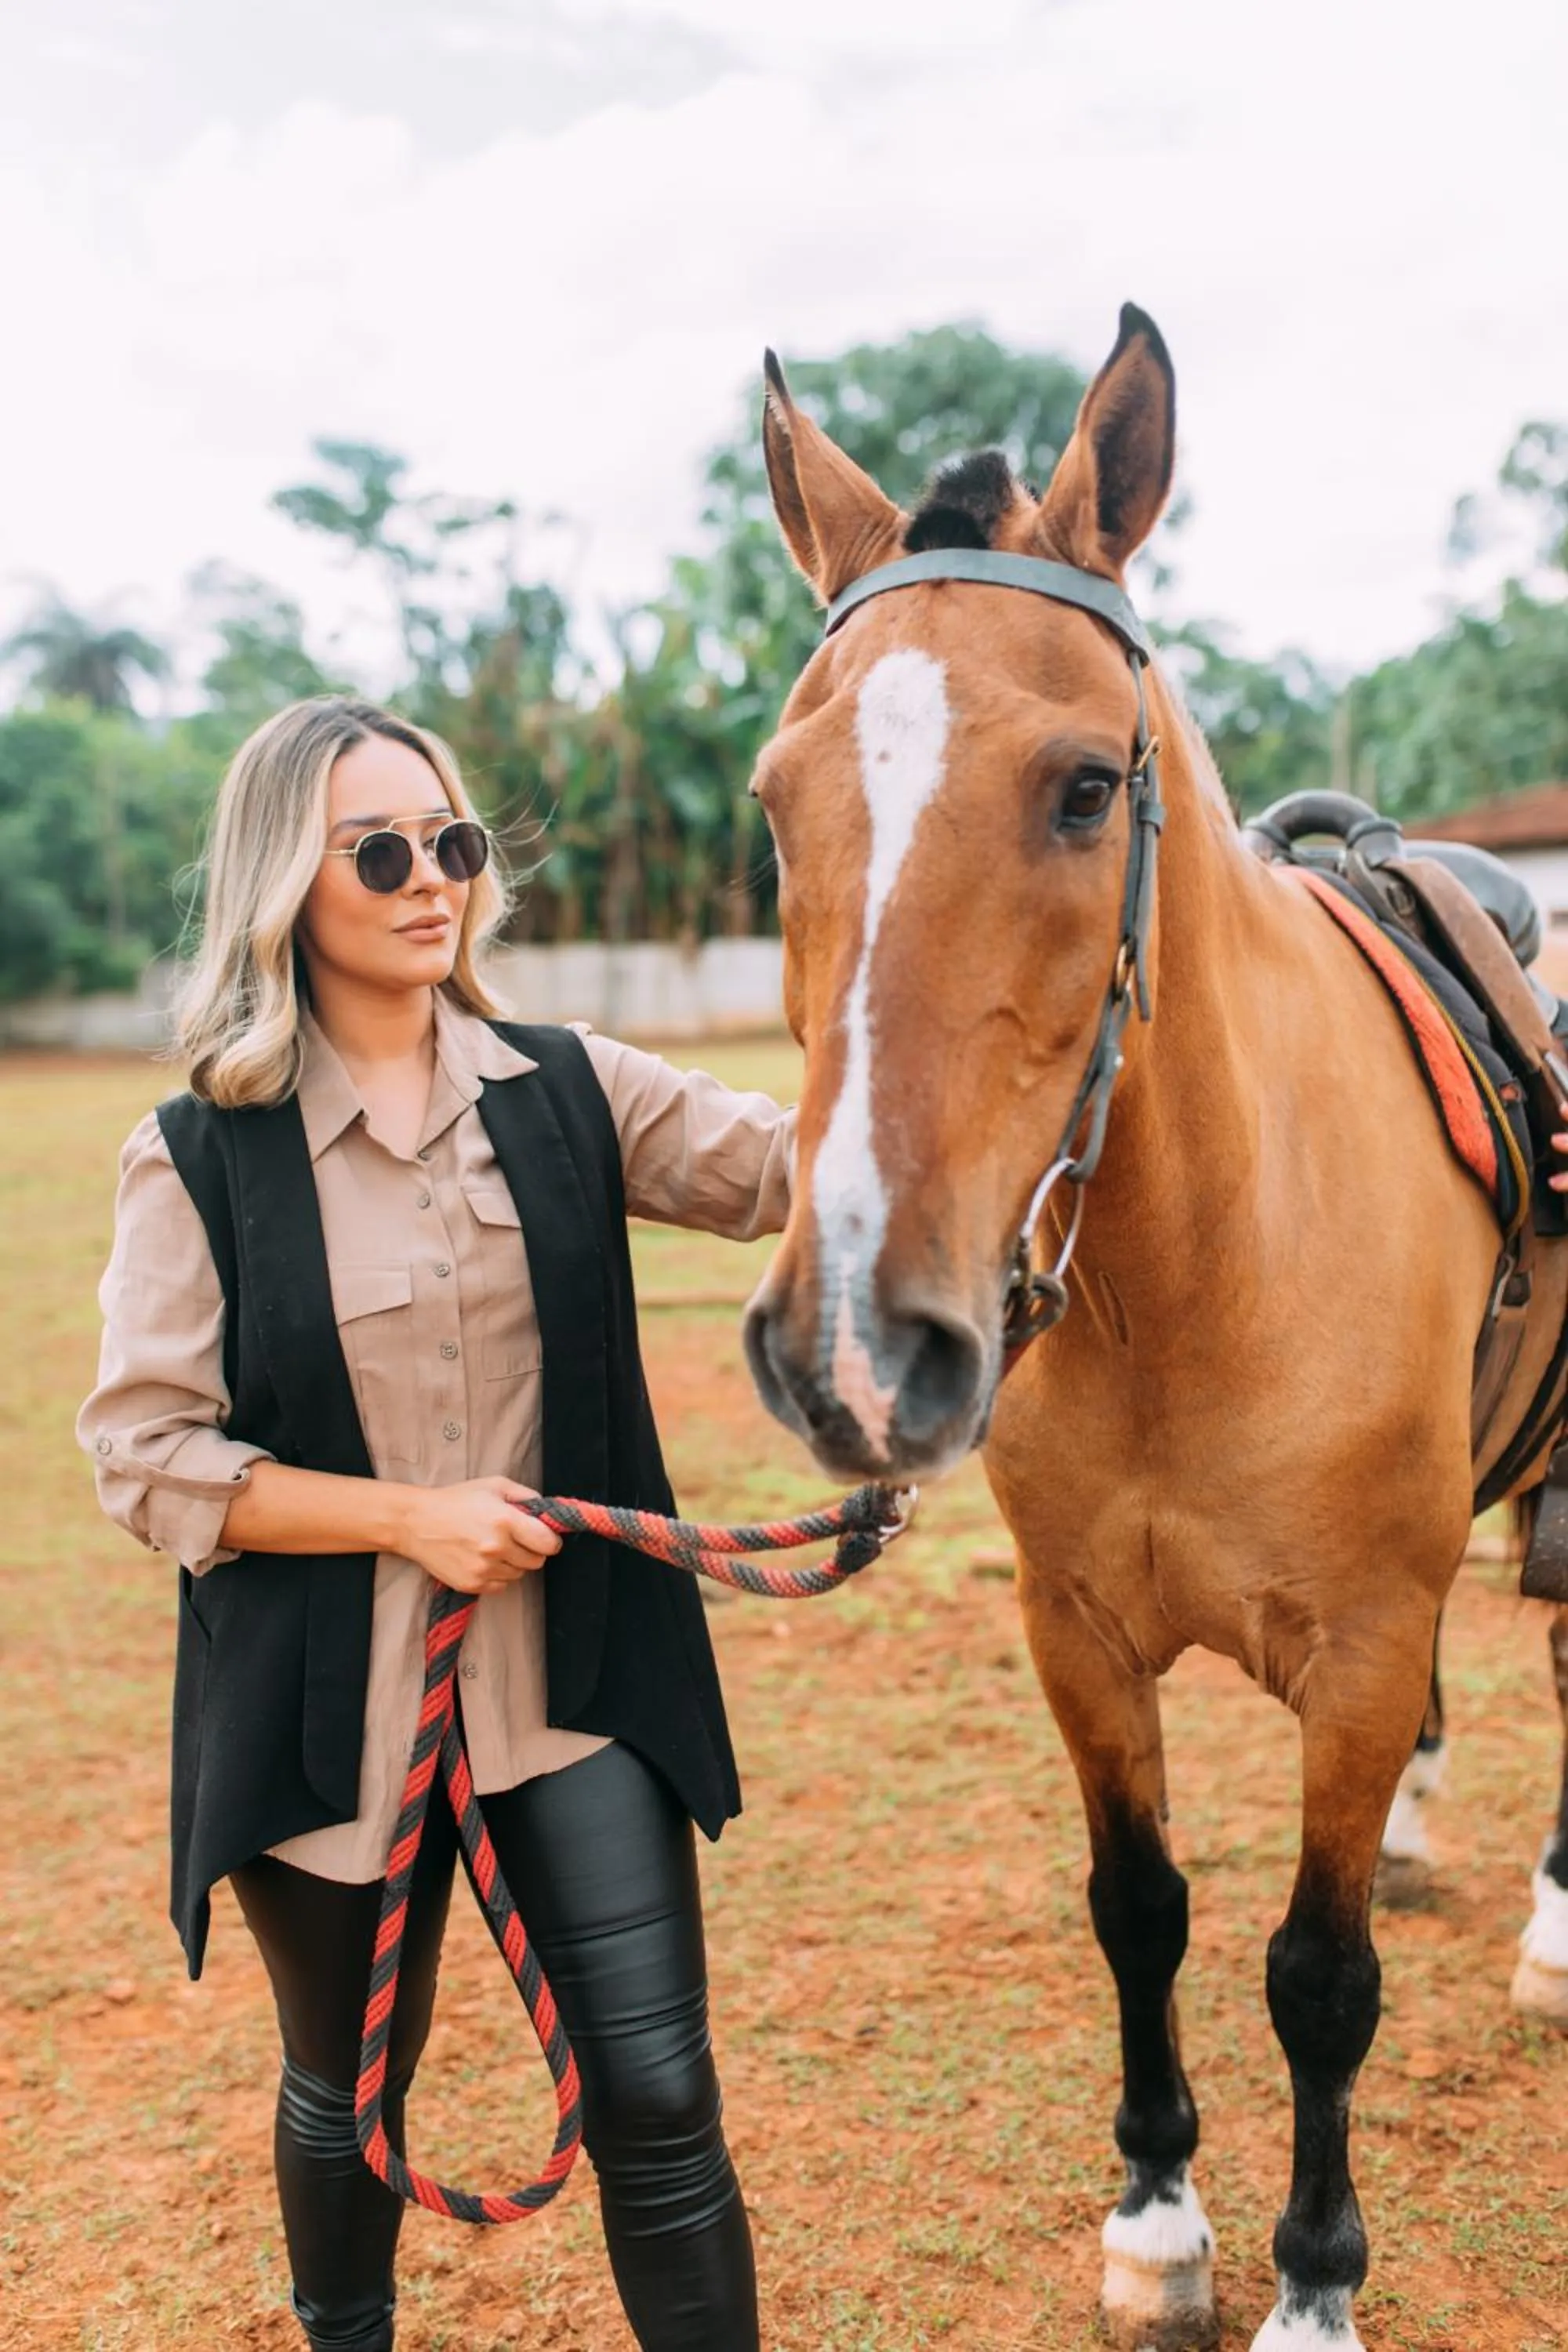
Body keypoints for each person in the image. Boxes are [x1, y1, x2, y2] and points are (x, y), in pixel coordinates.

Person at [78, 695, 797, 2352]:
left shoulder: (571, 1090)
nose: (432, 881)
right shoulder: (194, 1153)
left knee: (661, 2093)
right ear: (283, 886)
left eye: (452, 844)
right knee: (344, 2100)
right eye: (380, 851)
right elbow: (144, 1454)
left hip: (578, 1693)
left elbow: (801, 1167)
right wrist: (412, 1517)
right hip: (333, 1723)